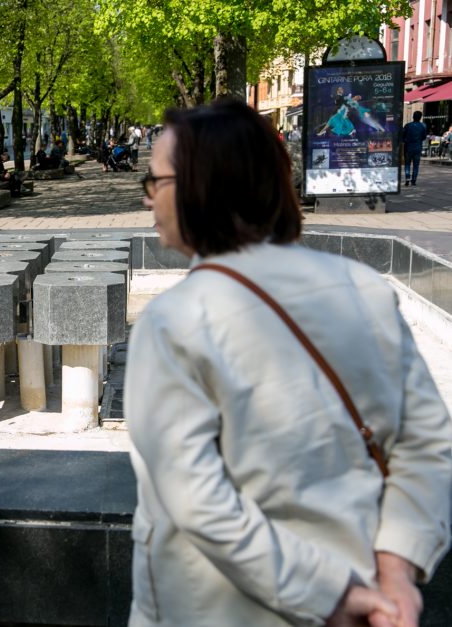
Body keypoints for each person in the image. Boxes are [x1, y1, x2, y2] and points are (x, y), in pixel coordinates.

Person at [126, 98, 452, 627]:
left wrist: (331, 592)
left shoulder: (175, 320)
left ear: (198, 188)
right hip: (372, 593)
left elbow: (198, 500)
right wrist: (396, 569)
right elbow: (427, 443)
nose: (147, 200)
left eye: (154, 182)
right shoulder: (364, 289)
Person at [402, 110, 428, 186]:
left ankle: (407, 179)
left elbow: (403, 136)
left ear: (413, 116)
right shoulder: (423, 126)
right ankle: (413, 181)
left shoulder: (407, 125)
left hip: (408, 147)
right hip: (417, 147)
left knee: (407, 164)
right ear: (420, 118)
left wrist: (406, 141)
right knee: (416, 165)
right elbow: (424, 137)